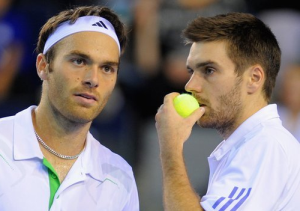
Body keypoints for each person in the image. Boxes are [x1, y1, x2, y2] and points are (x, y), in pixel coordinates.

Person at [155, 12, 300, 210]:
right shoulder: (255, 144)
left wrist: (170, 147)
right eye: (191, 71)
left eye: (209, 70)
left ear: (254, 78)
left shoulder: (265, 146)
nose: (190, 86)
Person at [0, 5, 139, 211]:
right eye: (79, 61)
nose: (93, 79)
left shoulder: (120, 177)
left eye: (107, 68)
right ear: (43, 66)